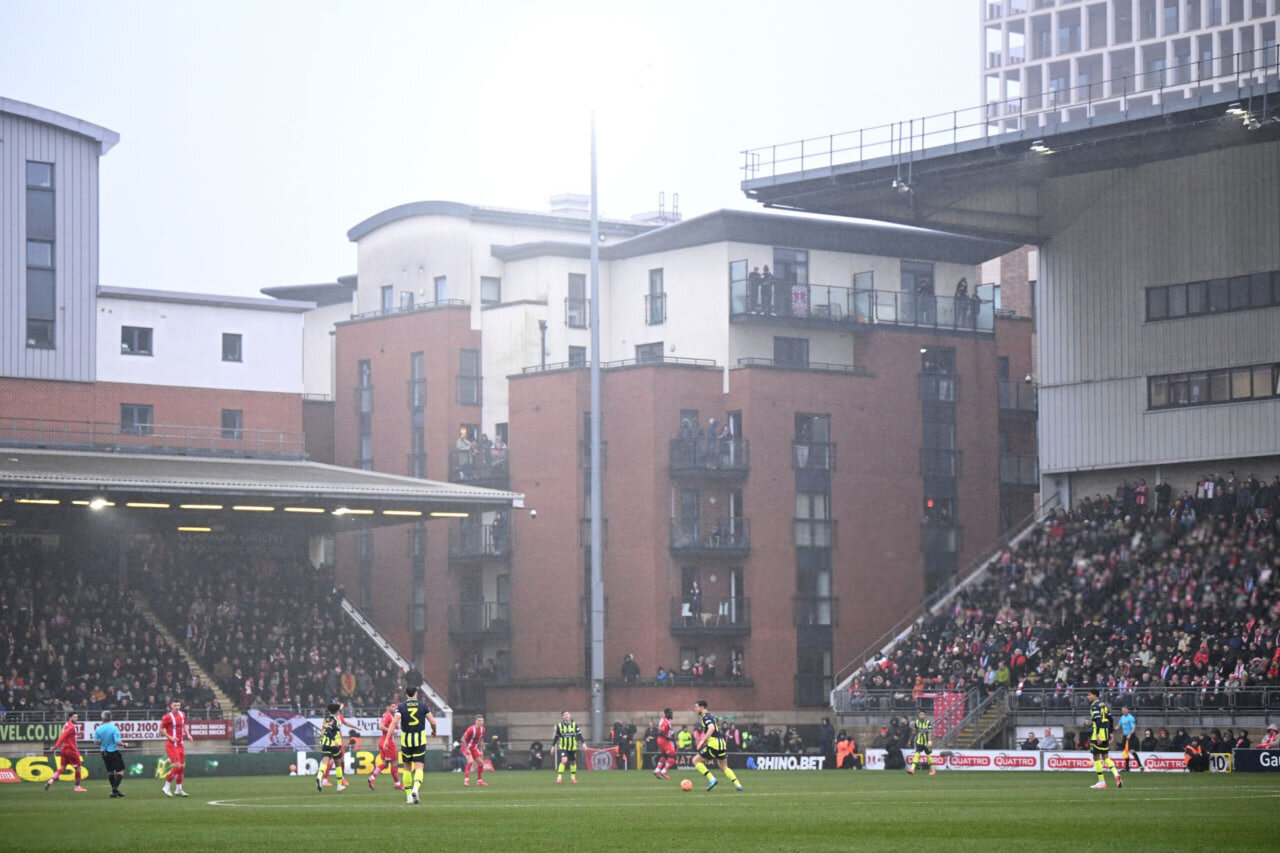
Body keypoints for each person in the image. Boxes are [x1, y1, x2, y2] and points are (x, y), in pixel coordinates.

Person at [395, 685, 437, 805]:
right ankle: (416, 788)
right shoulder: (423, 705)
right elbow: (432, 722)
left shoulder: (401, 706)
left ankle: (408, 796)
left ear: (406, 694)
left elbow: (394, 722)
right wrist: (434, 730)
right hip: (419, 741)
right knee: (419, 767)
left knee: (407, 768)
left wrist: (388, 738)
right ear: (416, 694)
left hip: (406, 741)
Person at [691, 700, 742, 791]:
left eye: (696, 707)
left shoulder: (706, 717)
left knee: (695, 760)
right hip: (721, 743)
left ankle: (711, 779)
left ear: (702, 707)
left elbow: (711, 728)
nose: (695, 709)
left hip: (714, 744)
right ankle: (738, 785)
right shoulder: (711, 716)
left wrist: (703, 740)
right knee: (723, 766)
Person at [316, 701, 358, 794]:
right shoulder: (336, 719)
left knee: (325, 762)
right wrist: (334, 739)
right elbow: (329, 729)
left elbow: (324, 729)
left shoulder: (326, 718)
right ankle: (339, 785)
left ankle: (319, 776)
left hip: (325, 744)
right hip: (335, 744)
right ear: (337, 711)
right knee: (338, 764)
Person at [1086, 688, 1122, 789]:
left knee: (1096, 757)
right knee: (1106, 757)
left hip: (1098, 733)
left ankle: (1101, 782)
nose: (1088, 697)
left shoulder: (1094, 706)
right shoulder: (1104, 705)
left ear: (1094, 695)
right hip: (1106, 733)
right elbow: (1110, 718)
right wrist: (1111, 732)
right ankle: (1116, 774)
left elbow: (1097, 720)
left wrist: (1097, 734)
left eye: (1089, 695)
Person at [45, 711, 87, 793]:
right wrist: (55, 746)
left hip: (64, 750)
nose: (76, 719)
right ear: (70, 717)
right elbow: (63, 736)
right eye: (74, 717)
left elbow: (68, 736)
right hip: (71, 750)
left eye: (77, 717)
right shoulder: (71, 727)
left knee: (62, 768)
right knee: (78, 768)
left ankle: (50, 781)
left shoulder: (66, 724)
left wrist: (77, 734)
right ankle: (77, 787)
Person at [160, 698, 194, 797]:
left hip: (180, 745)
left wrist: (188, 734)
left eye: (178, 705)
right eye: (175, 705)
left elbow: (184, 726)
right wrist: (170, 737)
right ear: (171, 706)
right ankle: (166, 786)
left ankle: (179, 789)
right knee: (177, 766)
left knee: (181, 768)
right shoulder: (167, 717)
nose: (177, 707)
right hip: (171, 745)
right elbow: (161, 730)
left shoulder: (182, 714)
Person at [368, 700, 402, 791]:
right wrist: (391, 731)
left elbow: (395, 726)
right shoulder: (387, 715)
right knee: (394, 762)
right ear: (388, 707)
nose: (394, 708)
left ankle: (372, 778)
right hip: (388, 742)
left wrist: (396, 726)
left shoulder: (390, 716)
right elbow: (381, 726)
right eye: (393, 706)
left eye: (395, 706)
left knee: (385, 764)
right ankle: (397, 783)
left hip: (382, 741)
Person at [93, 710, 127, 798]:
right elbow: (117, 742)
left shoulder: (98, 728)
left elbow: (95, 742)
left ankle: (114, 792)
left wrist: (103, 743)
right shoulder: (114, 728)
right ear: (110, 718)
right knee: (121, 771)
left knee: (110, 772)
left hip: (104, 753)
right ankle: (115, 789)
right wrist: (124, 744)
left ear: (103, 718)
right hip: (113, 752)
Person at [553, 710, 583, 784]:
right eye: (564, 715)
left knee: (572, 762)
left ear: (570, 715)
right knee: (564, 761)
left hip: (573, 747)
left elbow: (579, 734)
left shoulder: (574, 724)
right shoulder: (560, 726)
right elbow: (556, 737)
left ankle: (573, 778)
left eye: (567, 714)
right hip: (563, 747)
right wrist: (553, 746)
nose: (566, 716)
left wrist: (583, 743)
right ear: (563, 717)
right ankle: (559, 778)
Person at [906, 709, 935, 776]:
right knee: (917, 754)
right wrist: (910, 740)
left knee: (928, 756)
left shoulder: (928, 722)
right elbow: (914, 731)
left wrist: (930, 741)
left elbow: (930, 732)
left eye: (923, 715)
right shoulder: (917, 722)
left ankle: (933, 770)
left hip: (927, 742)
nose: (921, 716)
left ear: (925, 716)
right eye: (920, 715)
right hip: (919, 741)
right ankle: (912, 769)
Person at [461, 714, 487, 787]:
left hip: (474, 748)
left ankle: (479, 781)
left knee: (481, 763)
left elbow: (481, 739)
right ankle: (466, 780)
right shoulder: (471, 729)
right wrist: (466, 749)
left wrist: (481, 750)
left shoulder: (483, 729)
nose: (481, 722)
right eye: (479, 720)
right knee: (470, 761)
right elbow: (462, 739)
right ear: (476, 721)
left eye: (482, 720)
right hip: (466, 747)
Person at [653, 708, 677, 780]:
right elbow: (660, 732)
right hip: (664, 741)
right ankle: (664, 771)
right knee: (673, 756)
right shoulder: (665, 722)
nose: (672, 715)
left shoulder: (665, 720)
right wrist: (668, 737)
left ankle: (657, 770)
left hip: (661, 741)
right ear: (667, 714)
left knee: (665, 756)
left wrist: (672, 736)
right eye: (671, 713)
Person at [1118, 705, 1141, 772]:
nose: (1123, 711)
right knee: (1126, 752)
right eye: (1122, 710)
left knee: (1131, 751)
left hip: (1131, 736)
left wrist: (1130, 734)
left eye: (1124, 710)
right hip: (1125, 736)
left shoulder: (1131, 718)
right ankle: (1127, 768)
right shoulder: (1122, 717)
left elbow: (1133, 728)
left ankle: (1140, 765)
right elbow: (1119, 726)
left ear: (1128, 710)